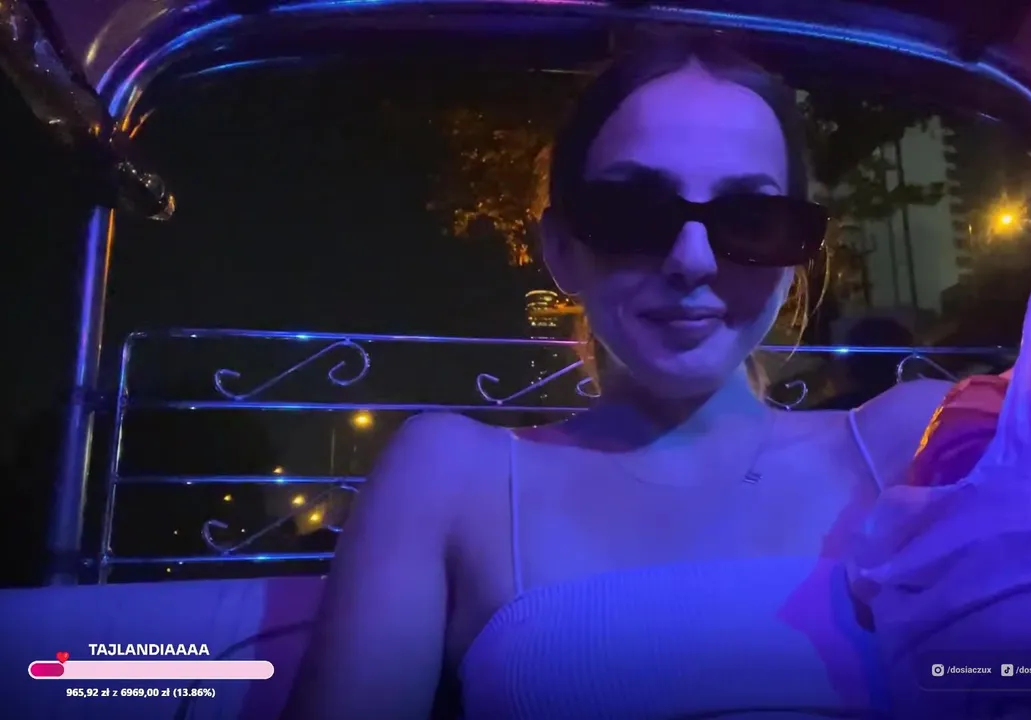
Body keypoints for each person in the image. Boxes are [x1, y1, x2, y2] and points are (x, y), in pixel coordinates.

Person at [282, 37, 951, 720]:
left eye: (751, 219)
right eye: (635, 212)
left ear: (795, 254)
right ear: (562, 249)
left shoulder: (914, 442)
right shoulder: (452, 475)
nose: (692, 260)